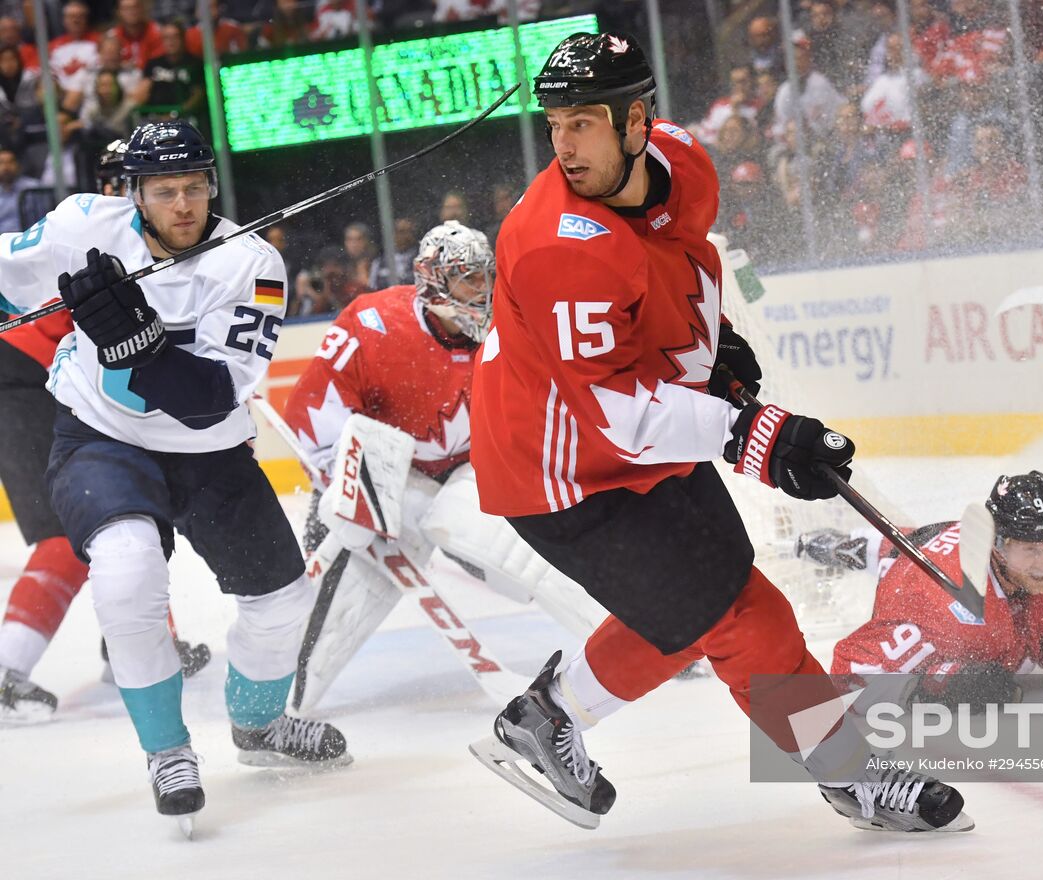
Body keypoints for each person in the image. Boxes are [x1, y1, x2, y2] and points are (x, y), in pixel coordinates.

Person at [469, 31, 970, 834]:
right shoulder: (557, 246)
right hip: (561, 470)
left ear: (638, 123)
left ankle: (546, 714)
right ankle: (850, 774)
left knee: (696, 609)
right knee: (733, 615)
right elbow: (621, 416)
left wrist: (709, 346)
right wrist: (754, 434)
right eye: (555, 124)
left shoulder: (683, 162)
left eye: (584, 122)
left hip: (625, 435)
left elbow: (676, 262)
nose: (563, 145)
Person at [0, 121, 349, 833]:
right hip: (101, 439)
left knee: (283, 602)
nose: (183, 205)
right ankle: (167, 752)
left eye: (195, 188)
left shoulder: (251, 264)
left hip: (212, 453)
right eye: (165, 191)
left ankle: (257, 728)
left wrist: (143, 346)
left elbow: (210, 400)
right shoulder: (81, 226)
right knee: (126, 575)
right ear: (135, 192)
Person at [281, 221, 604, 711]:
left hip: (472, 468)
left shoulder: (514, 324)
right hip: (391, 477)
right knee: (342, 597)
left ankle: (639, 637)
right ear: (433, 280)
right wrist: (341, 482)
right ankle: (279, 709)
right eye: (468, 278)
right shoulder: (373, 322)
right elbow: (312, 408)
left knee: (534, 552)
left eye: (485, 276)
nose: (483, 289)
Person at [1, 140, 209, 724]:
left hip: (57, 383)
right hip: (23, 377)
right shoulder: (94, 230)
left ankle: (130, 648)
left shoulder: (141, 236)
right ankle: (5, 671)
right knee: (67, 537)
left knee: (129, 512)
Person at [812, 472, 1043, 702]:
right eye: (1030, 549)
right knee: (884, 550)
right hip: (912, 563)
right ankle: (834, 545)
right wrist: (938, 685)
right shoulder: (942, 600)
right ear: (996, 544)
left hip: (955, 553)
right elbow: (852, 676)